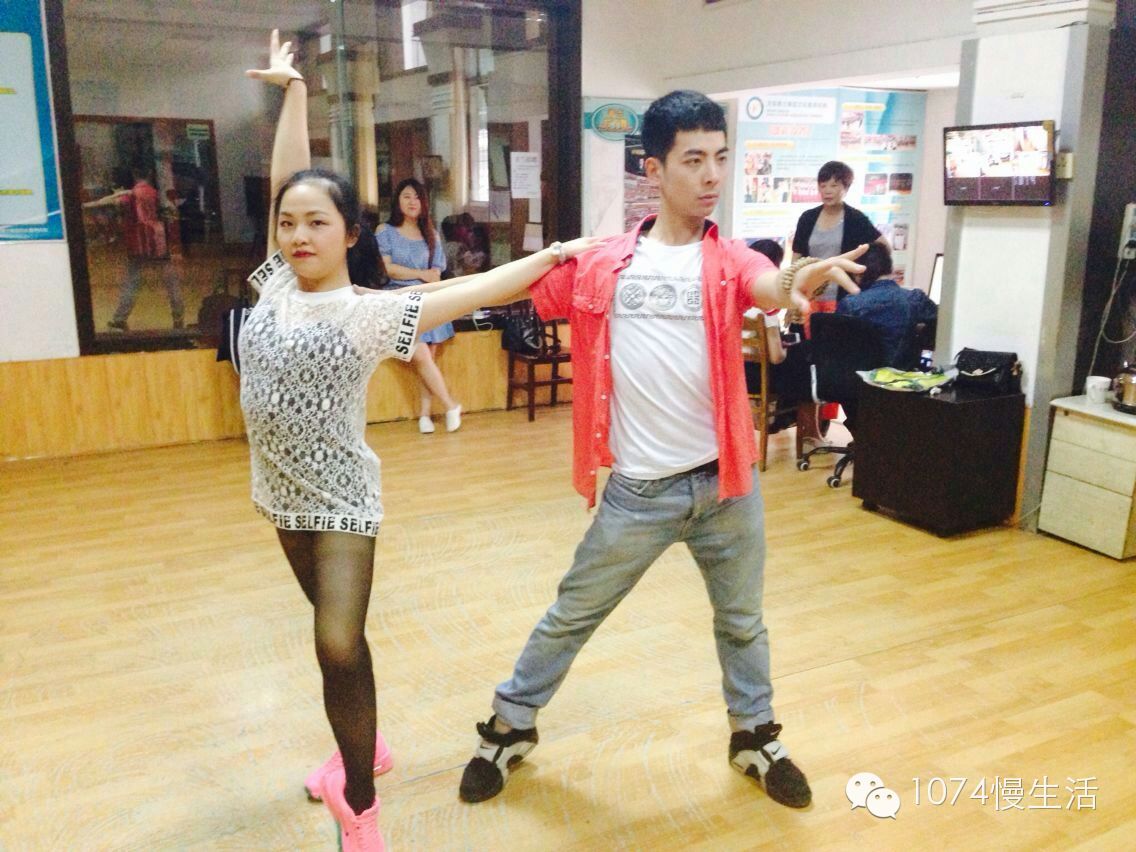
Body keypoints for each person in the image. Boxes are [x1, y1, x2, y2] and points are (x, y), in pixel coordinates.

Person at [458, 90, 866, 812]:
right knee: (572, 613)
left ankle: (754, 736)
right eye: (693, 160)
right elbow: (524, 291)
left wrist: (795, 279)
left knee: (742, 622)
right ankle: (509, 726)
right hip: (638, 493)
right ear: (654, 169)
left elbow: (767, 284)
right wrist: (539, 257)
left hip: (727, 487)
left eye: (720, 159)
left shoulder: (729, 259)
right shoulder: (604, 264)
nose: (711, 176)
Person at [243, 31, 597, 851]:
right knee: (340, 644)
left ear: (349, 234)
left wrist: (550, 254)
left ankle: (360, 804)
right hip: (277, 491)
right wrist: (295, 94)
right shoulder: (275, 284)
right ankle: (363, 746)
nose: (297, 235)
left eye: (316, 223)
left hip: (340, 498)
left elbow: (473, 288)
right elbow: (286, 176)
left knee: (336, 642)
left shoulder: (369, 312)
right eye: (288, 224)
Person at [790, 161, 887, 450]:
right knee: (807, 365)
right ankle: (809, 432)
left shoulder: (855, 219)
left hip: (841, 305)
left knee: (837, 366)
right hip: (809, 302)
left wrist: (863, 277)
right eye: (823, 184)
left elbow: (881, 247)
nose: (828, 190)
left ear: (846, 187)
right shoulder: (808, 218)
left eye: (834, 185)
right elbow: (796, 258)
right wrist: (791, 294)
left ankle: (849, 431)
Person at [377, 179, 461, 434]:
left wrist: (427, 277)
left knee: (428, 360)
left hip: (428, 298)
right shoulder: (385, 231)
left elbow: (437, 272)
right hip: (399, 300)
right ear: (397, 201)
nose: (412, 202)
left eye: (417, 197)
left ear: (424, 202)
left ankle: (425, 415)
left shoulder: (431, 234)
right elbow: (387, 268)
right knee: (421, 355)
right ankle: (450, 405)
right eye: (406, 196)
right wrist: (420, 274)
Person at [84, 165, 184, 332]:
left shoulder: (131, 194)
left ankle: (119, 319)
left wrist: (88, 205)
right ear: (150, 174)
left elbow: (110, 203)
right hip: (158, 242)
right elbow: (170, 213)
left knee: (132, 282)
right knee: (170, 281)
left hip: (138, 243)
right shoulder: (155, 193)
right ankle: (178, 317)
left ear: (134, 175)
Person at [836, 242, 937, 368]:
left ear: (858, 272)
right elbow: (942, 328)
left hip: (860, 377)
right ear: (890, 267)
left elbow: (839, 349)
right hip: (905, 376)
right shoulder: (915, 298)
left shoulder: (849, 304)